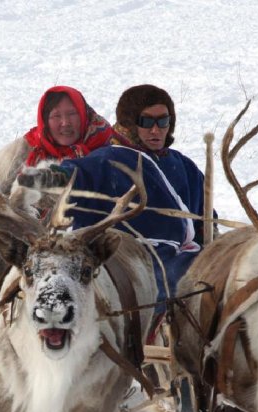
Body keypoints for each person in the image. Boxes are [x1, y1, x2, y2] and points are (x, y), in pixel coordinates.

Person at [18, 84, 207, 308]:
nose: (156, 130)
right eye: (146, 122)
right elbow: (79, 174)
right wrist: (50, 179)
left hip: (189, 256)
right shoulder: (111, 158)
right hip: (136, 258)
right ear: (129, 123)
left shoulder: (183, 165)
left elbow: (205, 219)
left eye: (163, 121)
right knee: (180, 281)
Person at [0, 85, 116, 216]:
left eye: (72, 113)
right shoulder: (23, 150)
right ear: (45, 120)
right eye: (56, 116)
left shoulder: (106, 149)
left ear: (83, 114)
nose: (65, 122)